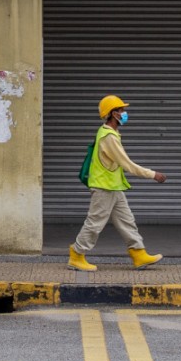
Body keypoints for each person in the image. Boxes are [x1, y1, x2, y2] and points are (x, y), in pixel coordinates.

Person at [68, 95, 167, 272]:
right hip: (104, 188)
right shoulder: (109, 137)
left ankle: (139, 254)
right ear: (113, 114)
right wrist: (153, 174)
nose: (124, 113)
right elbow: (127, 164)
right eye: (121, 110)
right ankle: (76, 255)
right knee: (95, 223)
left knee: (127, 221)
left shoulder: (109, 132)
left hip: (113, 187)